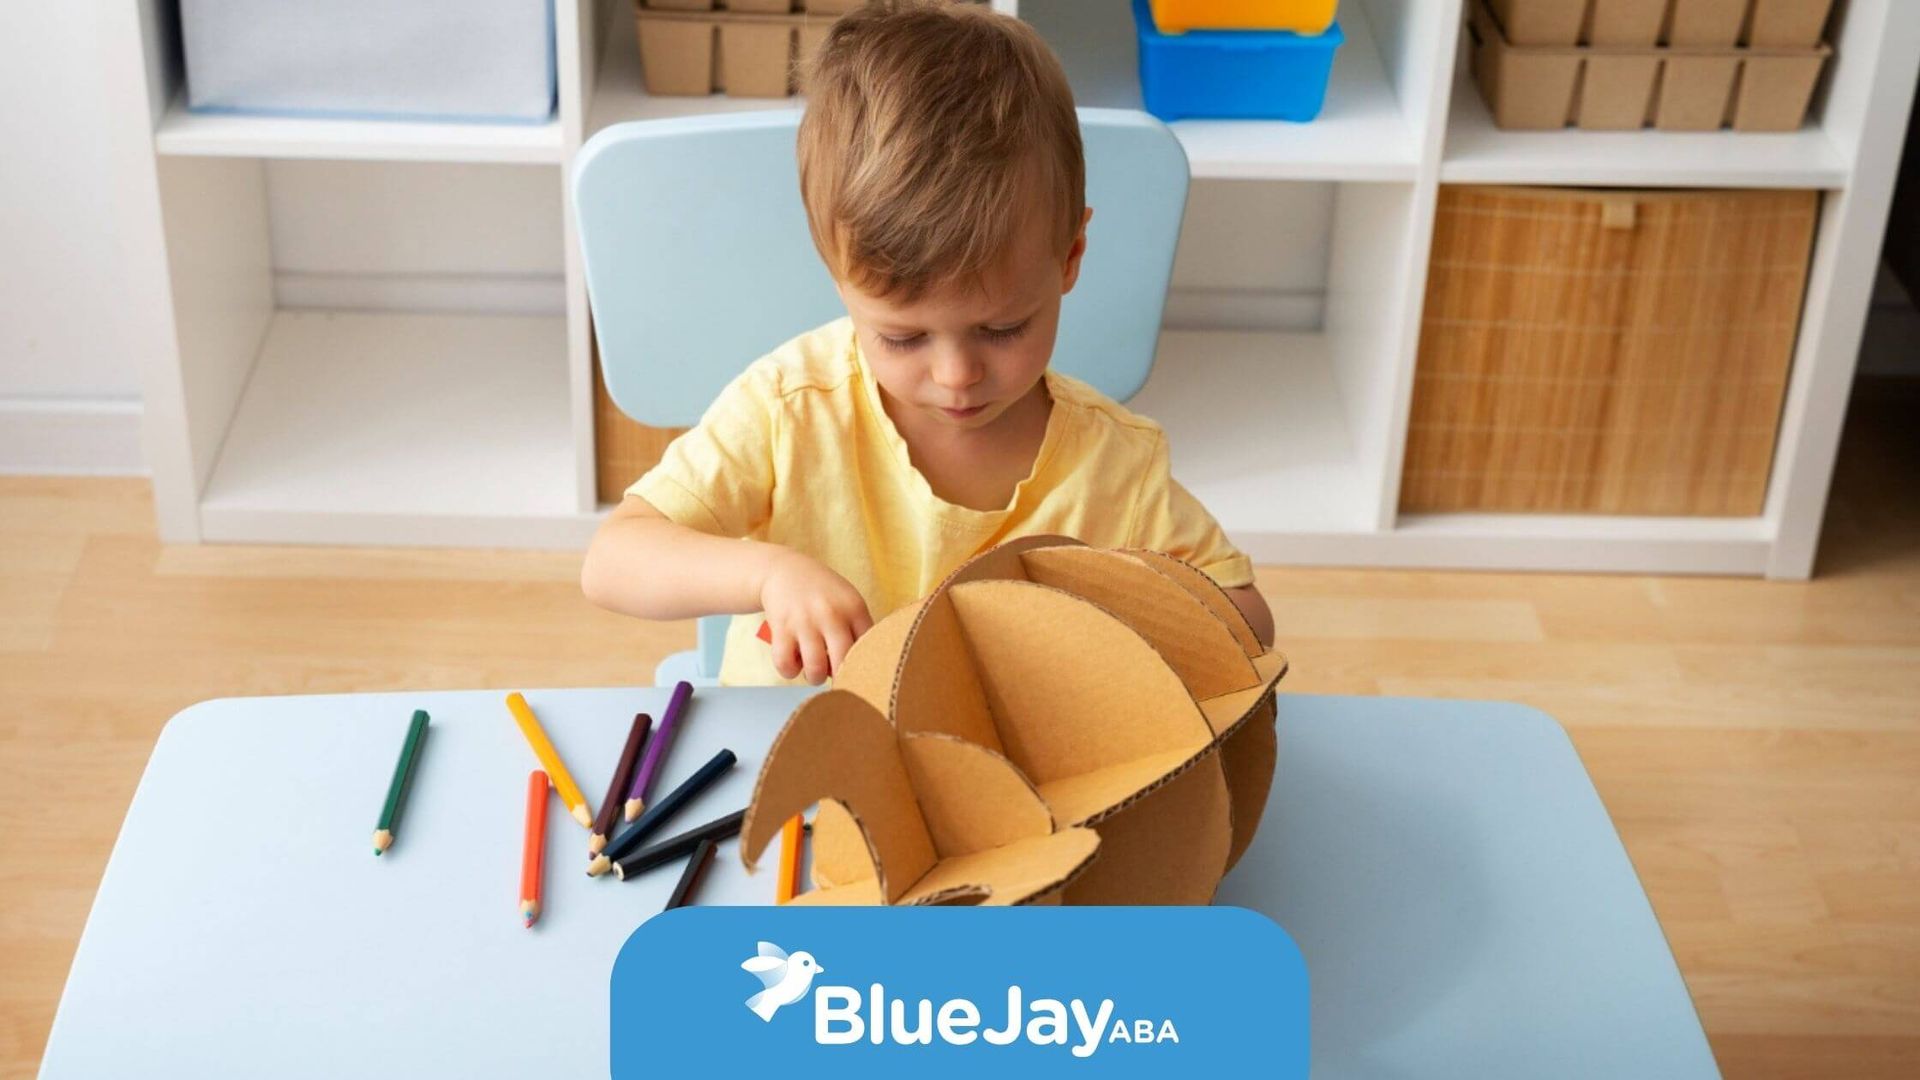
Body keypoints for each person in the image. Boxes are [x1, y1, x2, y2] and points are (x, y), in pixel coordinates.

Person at [582, 0, 1272, 686]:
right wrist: (769, 574)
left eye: (1002, 329)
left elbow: (1248, 622)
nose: (956, 374)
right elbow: (612, 561)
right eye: (902, 337)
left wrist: (1105, 624)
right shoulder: (789, 408)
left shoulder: (1113, 467)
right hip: (792, 752)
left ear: (1070, 257)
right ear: (838, 276)